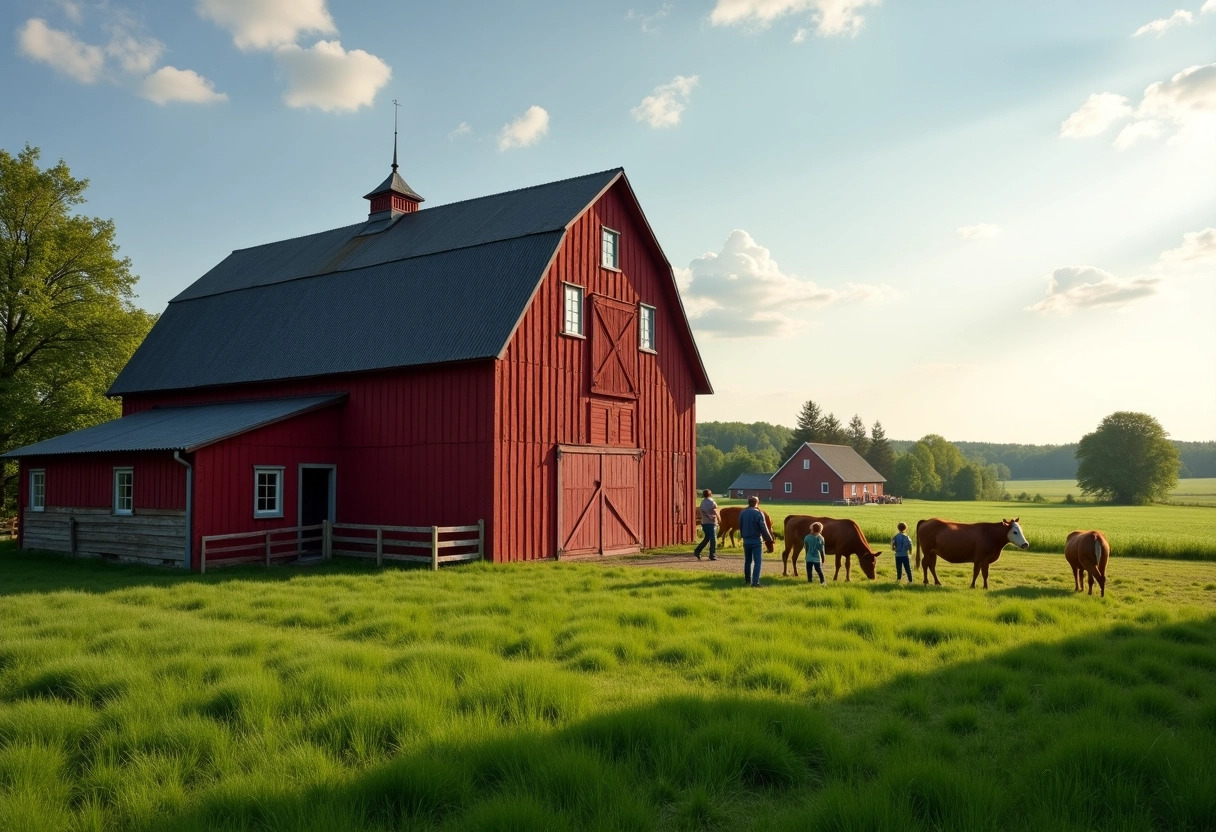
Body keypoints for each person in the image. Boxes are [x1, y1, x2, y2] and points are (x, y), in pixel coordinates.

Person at [739, 496, 774, 587]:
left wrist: (742, 536)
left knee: (748, 561)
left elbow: (741, 525)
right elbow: (763, 527)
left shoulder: (743, 512)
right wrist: (769, 538)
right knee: (757, 562)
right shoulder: (759, 513)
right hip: (756, 540)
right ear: (756, 503)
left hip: (746, 540)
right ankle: (755, 582)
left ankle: (747, 580)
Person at [693, 489, 719, 560]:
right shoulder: (712, 502)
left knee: (707, 538)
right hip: (711, 522)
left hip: (704, 522)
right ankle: (712, 554)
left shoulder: (702, 502)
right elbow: (716, 509)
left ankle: (697, 551)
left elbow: (703, 511)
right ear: (710, 494)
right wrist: (718, 519)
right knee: (713, 539)